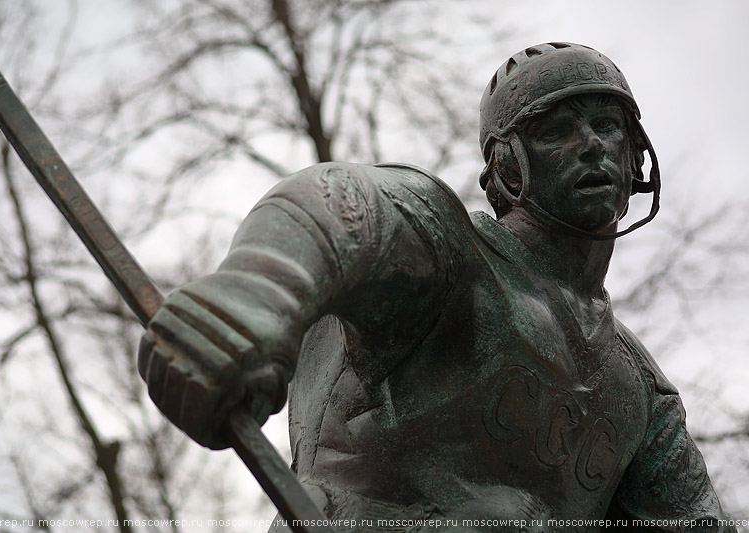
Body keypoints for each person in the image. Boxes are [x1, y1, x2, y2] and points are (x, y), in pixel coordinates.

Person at [137, 43, 732, 531]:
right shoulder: (451, 255)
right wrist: (251, 300)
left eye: (608, 126)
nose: (592, 144)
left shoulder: (643, 395)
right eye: (557, 130)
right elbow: (337, 205)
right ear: (507, 166)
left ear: (637, 160)